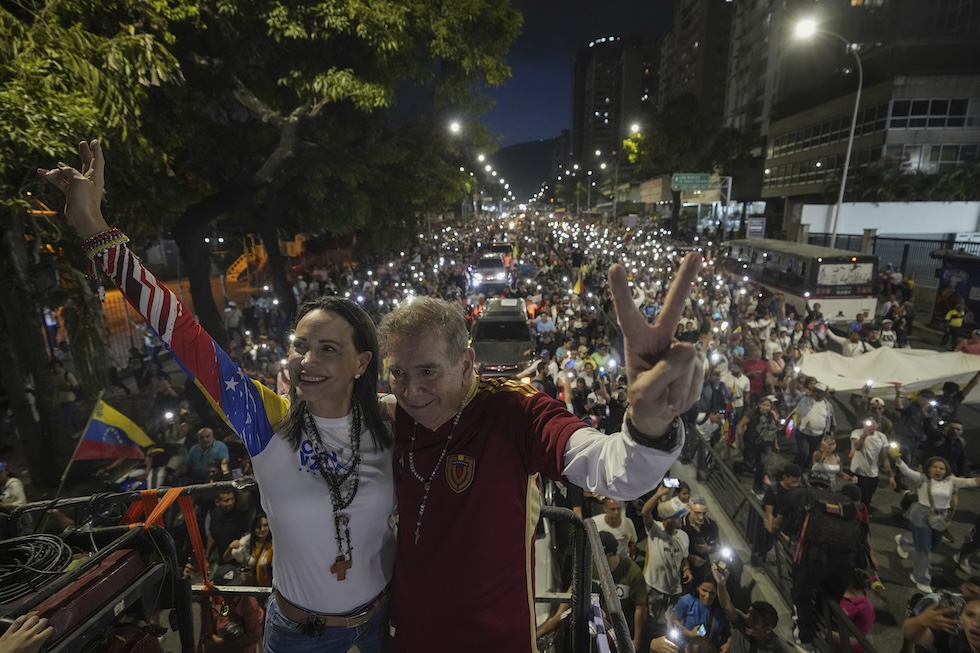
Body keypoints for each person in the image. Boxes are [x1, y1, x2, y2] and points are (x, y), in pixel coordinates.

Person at [40, 141, 394, 653]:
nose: (307, 361)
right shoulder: (266, 421)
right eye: (300, 347)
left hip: (385, 625)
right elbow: (185, 336)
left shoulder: (390, 421)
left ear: (362, 364)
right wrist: (94, 225)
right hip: (299, 638)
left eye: (329, 349)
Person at [377, 242, 705, 652]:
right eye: (398, 373)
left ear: (465, 364)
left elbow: (612, 469)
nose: (412, 390)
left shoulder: (517, 410)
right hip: (407, 637)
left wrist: (651, 426)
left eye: (427, 371)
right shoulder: (391, 416)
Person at [893, 455, 980, 593]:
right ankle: (920, 578)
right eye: (935, 467)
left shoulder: (951, 481)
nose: (938, 470)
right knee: (924, 550)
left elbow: (971, 482)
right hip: (921, 514)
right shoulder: (922, 479)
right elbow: (906, 471)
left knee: (934, 545)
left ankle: (905, 542)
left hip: (940, 516)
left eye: (942, 468)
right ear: (928, 469)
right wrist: (898, 460)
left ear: (946, 470)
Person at [712, 565, 789, 653]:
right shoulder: (741, 623)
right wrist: (721, 583)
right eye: (748, 613)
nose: (748, 619)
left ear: (767, 629)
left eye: (755, 620)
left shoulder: (778, 649)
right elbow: (726, 605)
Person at [736, 397, 781, 495]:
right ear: (759, 405)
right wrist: (740, 439)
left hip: (766, 445)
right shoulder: (751, 413)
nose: (766, 407)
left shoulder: (771, 416)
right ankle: (739, 467)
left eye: (768, 406)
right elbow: (741, 425)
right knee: (749, 463)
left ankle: (758, 487)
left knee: (762, 465)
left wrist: (775, 444)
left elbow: (773, 430)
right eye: (764, 405)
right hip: (751, 443)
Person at [848, 418, 895, 511]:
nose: (871, 425)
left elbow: (884, 458)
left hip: (873, 474)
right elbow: (857, 447)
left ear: (877, 425)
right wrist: (864, 435)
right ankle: (858, 517)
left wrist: (891, 476)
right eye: (868, 423)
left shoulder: (881, 437)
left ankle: (862, 515)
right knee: (860, 497)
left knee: (868, 497)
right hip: (858, 472)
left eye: (874, 423)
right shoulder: (856, 433)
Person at [670, 576, 729, 649]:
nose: (707, 596)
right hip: (688, 647)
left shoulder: (722, 607)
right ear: (698, 587)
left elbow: (730, 629)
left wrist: (728, 644)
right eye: (704, 590)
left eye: (712, 593)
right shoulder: (686, 601)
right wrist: (690, 634)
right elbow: (674, 621)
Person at [227, 512, 274, 586]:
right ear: (253, 527)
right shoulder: (245, 542)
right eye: (258, 526)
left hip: (270, 582)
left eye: (265, 525)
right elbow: (226, 558)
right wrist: (230, 548)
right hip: (251, 583)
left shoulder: (275, 543)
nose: (262, 529)